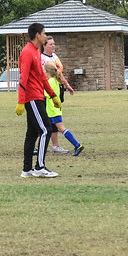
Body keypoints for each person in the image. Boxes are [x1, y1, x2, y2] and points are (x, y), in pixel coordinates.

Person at [17, 22, 61, 178]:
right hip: (32, 98)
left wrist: (53, 95)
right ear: (37, 35)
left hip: (39, 96)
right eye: (44, 33)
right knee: (46, 129)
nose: (45, 36)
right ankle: (39, 167)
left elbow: (41, 77)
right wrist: (21, 101)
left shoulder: (36, 52)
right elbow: (23, 77)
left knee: (32, 133)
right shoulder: (28, 52)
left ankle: (26, 169)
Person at [41, 36, 76, 152]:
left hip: (56, 88)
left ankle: (55, 145)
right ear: (44, 46)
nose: (53, 46)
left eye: (54, 44)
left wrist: (67, 85)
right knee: (48, 120)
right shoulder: (42, 58)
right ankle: (39, 146)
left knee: (53, 119)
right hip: (47, 90)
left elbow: (59, 74)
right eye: (50, 44)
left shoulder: (55, 57)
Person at [43, 60, 84, 156]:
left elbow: (45, 94)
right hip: (54, 110)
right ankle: (38, 148)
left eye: (44, 71)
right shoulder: (55, 81)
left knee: (61, 129)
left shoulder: (50, 82)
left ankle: (77, 145)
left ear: (47, 72)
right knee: (43, 129)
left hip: (52, 111)